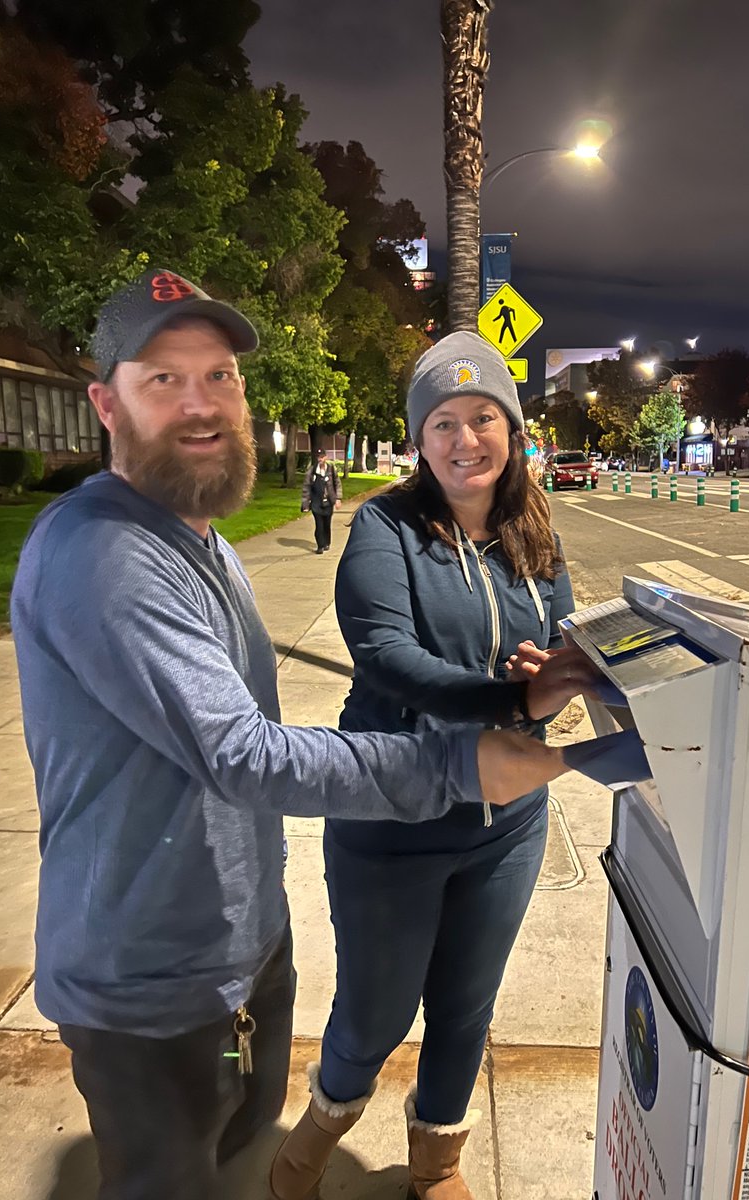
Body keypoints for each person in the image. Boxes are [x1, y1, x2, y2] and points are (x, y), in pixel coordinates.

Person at [9, 272, 583, 1200]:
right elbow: (248, 752)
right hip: (151, 979)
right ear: (104, 402)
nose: (202, 404)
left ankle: (422, 1158)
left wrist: (548, 690)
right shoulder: (103, 553)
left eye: (221, 376)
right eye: (164, 379)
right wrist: (469, 752)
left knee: (236, 1157)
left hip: (236, 952)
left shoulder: (204, 543)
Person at [269, 331, 593, 1200]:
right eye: (442, 423)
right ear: (419, 441)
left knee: (465, 1006)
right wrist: (508, 702)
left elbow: (554, 659)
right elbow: (384, 654)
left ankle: (436, 1162)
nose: (464, 439)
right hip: (394, 818)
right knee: (374, 1016)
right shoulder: (385, 526)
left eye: (482, 417)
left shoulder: (534, 530)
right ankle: (322, 1127)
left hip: (506, 824)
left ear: (512, 429)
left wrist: (549, 683)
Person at [301, 447, 342, 553]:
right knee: (319, 525)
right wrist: (305, 504)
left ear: (326, 457)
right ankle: (320, 546)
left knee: (326, 524)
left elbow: (337, 484)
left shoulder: (331, 469)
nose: (320, 459)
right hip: (316, 502)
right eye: (319, 457)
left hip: (328, 501)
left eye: (322, 457)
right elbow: (306, 487)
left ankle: (327, 542)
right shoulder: (312, 471)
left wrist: (338, 498)